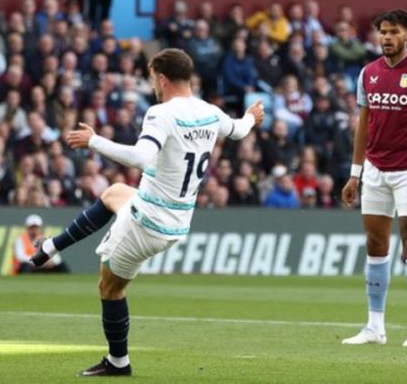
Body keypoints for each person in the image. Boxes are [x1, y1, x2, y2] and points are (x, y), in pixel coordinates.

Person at [29, 49, 264, 376]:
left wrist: (95, 142)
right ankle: (50, 248)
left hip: (147, 221)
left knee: (109, 287)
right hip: (176, 219)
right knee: (114, 193)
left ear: (162, 78)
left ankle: (118, 363)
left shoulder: (161, 113)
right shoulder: (209, 111)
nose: (153, 85)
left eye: (154, 78)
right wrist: (253, 115)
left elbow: (140, 157)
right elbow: (239, 130)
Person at [341, 10, 407, 347]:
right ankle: (375, 327)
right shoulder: (368, 73)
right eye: (383, 32)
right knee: (375, 245)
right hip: (375, 169)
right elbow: (364, 126)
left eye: (393, 32)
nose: (386, 37)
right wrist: (355, 174)